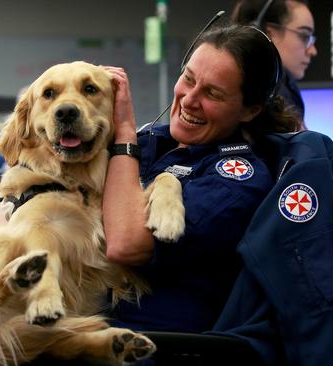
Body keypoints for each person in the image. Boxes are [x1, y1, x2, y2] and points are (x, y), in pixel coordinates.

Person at [102, 22, 301, 345]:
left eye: (212, 93)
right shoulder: (152, 142)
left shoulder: (238, 179)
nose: (189, 99)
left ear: (249, 109)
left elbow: (124, 244)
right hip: (83, 325)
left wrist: (123, 132)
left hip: (151, 344)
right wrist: (8, 206)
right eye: (189, 79)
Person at [232, 0, 333, 254]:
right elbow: (318, 200)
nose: (313, 50)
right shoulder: (274, 99)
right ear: (270, 34)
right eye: (305, 36)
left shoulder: (248, 95)